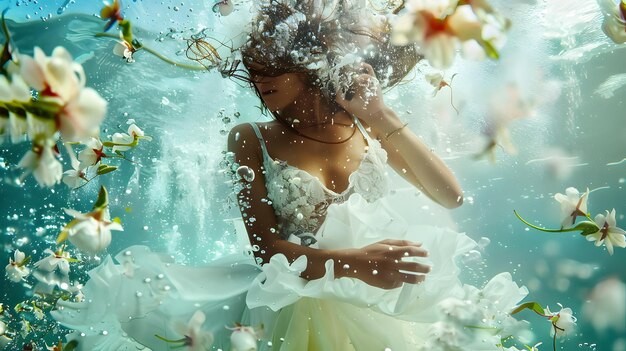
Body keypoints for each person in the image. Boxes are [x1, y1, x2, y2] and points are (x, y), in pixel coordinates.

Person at [52, 1, 523, 350]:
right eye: (253, 62)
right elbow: (265, 250)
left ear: (307, 60)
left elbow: (451, 197)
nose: (258, 73)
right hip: (290, 308)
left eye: (273, 59)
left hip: (386, 307)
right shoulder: (248, 137)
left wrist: (378, 114)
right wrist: (355, 262)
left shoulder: (365, 121)